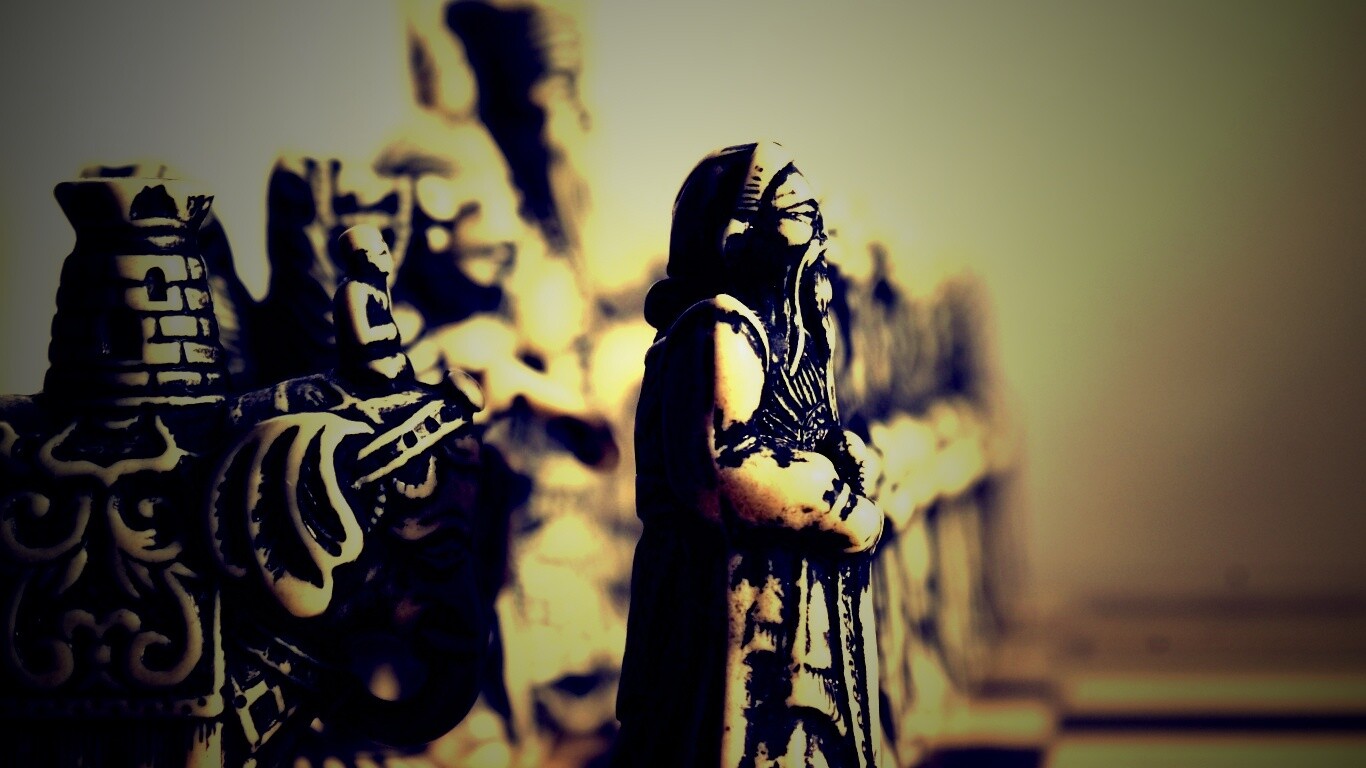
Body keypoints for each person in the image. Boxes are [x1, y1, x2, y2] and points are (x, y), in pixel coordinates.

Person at [614, 142, 884, 767]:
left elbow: (794, 432)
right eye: (798, 215)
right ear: (737, 237)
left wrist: (844, 454)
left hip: (778, 603)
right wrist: (840, 505)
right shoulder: (718, 329)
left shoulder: (781, 332)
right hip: (719, 607)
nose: (818, 239)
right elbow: (721, 473)